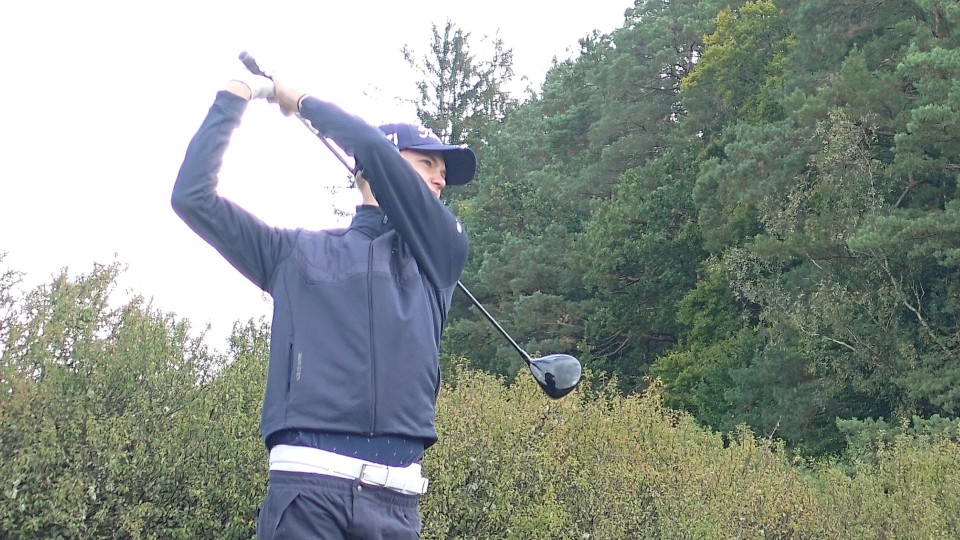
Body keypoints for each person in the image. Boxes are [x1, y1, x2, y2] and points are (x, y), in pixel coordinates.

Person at [172, 62, 476, 539]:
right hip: (306, 490)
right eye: (426, 165)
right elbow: (193, 197)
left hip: (397, 504)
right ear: (375, 171)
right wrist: (237, 96)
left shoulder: (441, 253)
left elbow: (375, 148)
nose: (440, 181)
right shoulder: (293, 252)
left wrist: (302, 101)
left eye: (443, 172)